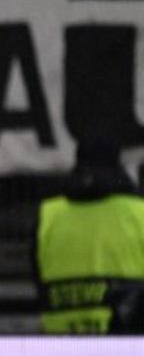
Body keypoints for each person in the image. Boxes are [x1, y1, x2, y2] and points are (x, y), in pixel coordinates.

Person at [33, 137, 144, 333]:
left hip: (61, 342)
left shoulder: (48, 214)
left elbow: (38, 276)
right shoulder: (139, 213)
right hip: (128, 343)